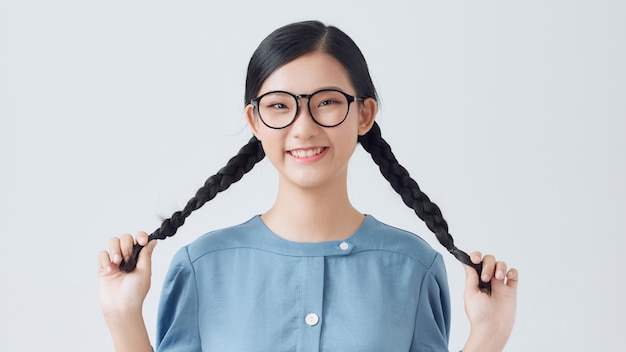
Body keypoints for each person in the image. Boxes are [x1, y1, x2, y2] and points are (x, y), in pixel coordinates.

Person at [98, 20, 518, 352]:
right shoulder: (201, 266)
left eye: (327, 102)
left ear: (364, 115)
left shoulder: (413, 266)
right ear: (255, 122)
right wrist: (122, 316)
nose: (304, 127)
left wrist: (490, 335)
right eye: (279, 106)